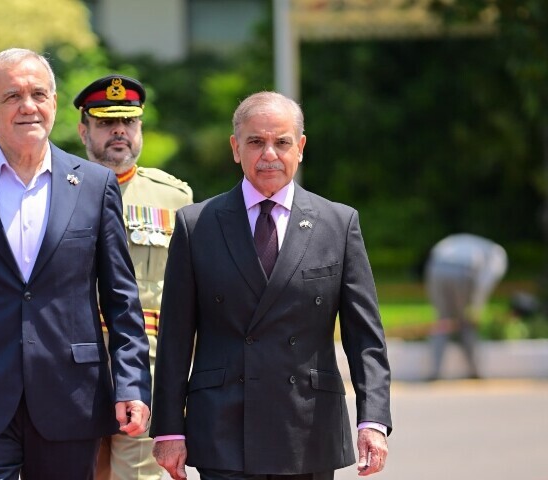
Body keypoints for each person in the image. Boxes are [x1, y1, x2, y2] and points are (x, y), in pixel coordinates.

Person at [0, 48, 152, 479]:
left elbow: (121, 301)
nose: (28, 106)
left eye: (38, 94)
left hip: (70, 397)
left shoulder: (95, 185)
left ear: (54, 103)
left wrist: (131, 383)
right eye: (12, 96)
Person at [150, 91, 392, 479]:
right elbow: (175, 337)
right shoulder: (196, 225)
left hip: (307, 427)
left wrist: (373, 421)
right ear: (235, 148)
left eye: (281, 142)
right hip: (223, 429)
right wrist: (168, 428)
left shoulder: (338, 223)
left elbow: (366, 338)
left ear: (301, 147)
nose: (269, 154)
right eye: (255, 142)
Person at [74, 75, 193, 480]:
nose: (119, 130)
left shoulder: (174, 198)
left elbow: (190, 294)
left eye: (128, 121)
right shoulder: (58, 190)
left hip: (148, 370)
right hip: (74, 371)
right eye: (106, 122)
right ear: (84, 130)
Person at [425, 233, 507, 380]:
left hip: (436, 266)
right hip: (463, 270)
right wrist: (476, 309)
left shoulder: (470, 243)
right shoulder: (497, 256)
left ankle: (435, 371)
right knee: (466, 321)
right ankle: (475, 370)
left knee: (442, 321)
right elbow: (485, 283)